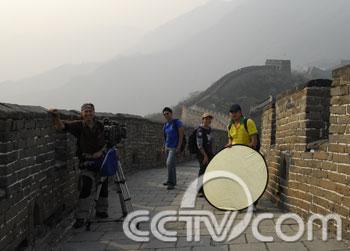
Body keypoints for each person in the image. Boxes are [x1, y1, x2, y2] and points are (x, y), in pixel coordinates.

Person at [48, 103, 109, 228]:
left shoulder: (100, 126)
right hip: (86, 162)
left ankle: (101, 210)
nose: (88, 114)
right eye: (85, 111)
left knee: (103, 186)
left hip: (101, 161)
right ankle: (81, 216)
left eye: (90, 111)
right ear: (81, 113)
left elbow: (107, 142)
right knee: (85, 186)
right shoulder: (78, 126)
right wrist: (55, 116)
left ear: (94, 112)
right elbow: (61, 127)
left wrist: (101, 151)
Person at [226, 103, 259, 209]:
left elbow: (254, 142)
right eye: (231, 113)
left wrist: (242, 149)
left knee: (249, 180)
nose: (233, 114)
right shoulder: (230, 125)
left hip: (248, 156)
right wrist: (229, 145)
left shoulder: (248, 122)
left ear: (240, 112)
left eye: (235, 112)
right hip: (235, 158)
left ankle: (252, 203)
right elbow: (230, 140)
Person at [162, 107, 185, 190]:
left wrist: (179, 146)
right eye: (164, 114)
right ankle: (170, 180)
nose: (166, 115)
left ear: (171, 113)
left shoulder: (177, 122)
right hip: (167, 146)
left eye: (167, 113)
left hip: (174, 147)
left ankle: (171, 183)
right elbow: (165, 137)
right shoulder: (166, 125)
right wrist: (163, 146)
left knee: (169, 163)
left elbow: (181, 136)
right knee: (170, 165)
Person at [196, 113, 214, 197]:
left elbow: (209, 141)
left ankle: (206, 189)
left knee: (209, 170)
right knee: (202, 170)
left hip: (209, 152)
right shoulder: (200, 130)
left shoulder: (209, 129)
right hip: (202, 153)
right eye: (206, 118)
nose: (208, 120)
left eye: (209, 118)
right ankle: (199, 190)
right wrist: (205, 156)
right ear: (202, 119)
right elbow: (199, 145)